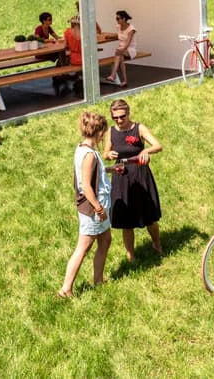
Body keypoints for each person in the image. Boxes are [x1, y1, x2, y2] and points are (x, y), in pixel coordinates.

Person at [58, 112, 112, 298]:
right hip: (94, 209)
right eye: (103, 132)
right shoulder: (89, 155)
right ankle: (65, 289)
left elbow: (92, 175)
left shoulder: (83, 148)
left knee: (105, 240)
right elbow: (86, 186)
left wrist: (110, 169)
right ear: (98, 132)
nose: (104, 136)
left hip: (97, 206)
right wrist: (98, 208)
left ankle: (98, 280)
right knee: (83, 247)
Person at [102, 99, 162, 261]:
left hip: (140, 174)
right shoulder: (111, 132)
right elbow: (105, 153)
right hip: (121, 176)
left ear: (128, 113)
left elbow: (158, 145)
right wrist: (108, 155)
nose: (120, 121)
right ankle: (131, 256)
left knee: (149, 216)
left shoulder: (139, 128)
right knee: (126, 220)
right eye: (116, 118)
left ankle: (157, 244)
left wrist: (146, 151)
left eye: (122, 116)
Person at [103, 10, 136, 87]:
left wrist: (121, 49)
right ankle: (124, 81)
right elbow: (119, 35)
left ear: (124, 19)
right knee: (120, 57)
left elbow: (127, 43)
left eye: (118, 18)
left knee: (118, 52)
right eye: (116, 18)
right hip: (121, 50)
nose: (117, 20)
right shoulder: (118, 27)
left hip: (130, 50)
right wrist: (110, 36)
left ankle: (113, 75)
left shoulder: (131, 29)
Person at [60, 16, 83, 96]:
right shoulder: (84, 32)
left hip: (74, 59)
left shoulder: (67, 32)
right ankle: (79, 76)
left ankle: (68, 75)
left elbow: (65, 46)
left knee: (64, 57)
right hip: (84, 59)